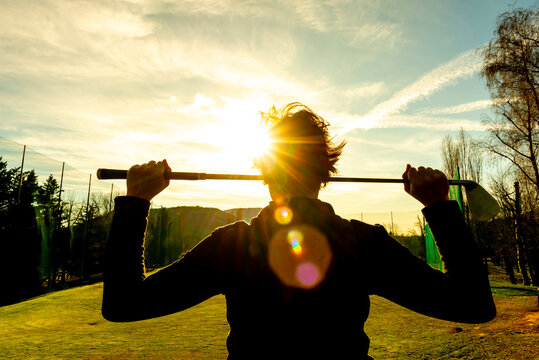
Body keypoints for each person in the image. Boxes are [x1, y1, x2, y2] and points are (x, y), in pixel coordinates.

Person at [102, 103, 496, 359]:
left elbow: (123, 304)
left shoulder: (233, 245)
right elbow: (473, 305)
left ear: (263, 172)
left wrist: (137, 202)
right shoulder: (361, 243)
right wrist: (439, 208)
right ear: (326, 171)